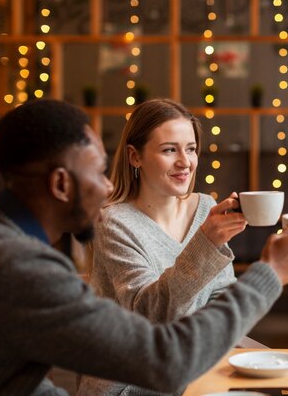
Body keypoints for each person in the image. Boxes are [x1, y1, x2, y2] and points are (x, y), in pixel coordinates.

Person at [0, 99, 288, 396]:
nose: (107, 186)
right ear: (61, 183)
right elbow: (166, 360)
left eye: (191, 148)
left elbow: (15, 380)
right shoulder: (19, 268)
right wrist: (270, 273)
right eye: (98, 172)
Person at [77, 99, 249, 395]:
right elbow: (150, 315)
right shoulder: (113, 222)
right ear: (135, 157)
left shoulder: (206, 207)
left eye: (191, 148)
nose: (185, 162)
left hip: (195, 372)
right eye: (170, 149)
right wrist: (206, 243)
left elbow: (222, 295)